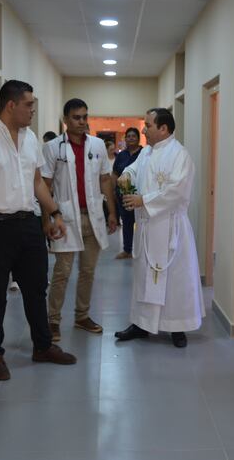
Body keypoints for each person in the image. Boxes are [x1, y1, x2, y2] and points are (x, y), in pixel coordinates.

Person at [0, 79, 77, 381]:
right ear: (11, 105)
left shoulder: (30, 138)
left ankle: (42, 346)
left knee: (36, 289)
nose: (33, 110)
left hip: (28, 225)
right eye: (29, 104)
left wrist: (54, 212)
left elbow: (37, 182)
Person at [114, 108, 205, 348]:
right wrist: (126, 174)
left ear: (163, 128)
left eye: (148, 125)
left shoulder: (180, 155)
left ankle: (176, 327)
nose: (144, 129)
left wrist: (144, 200)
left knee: (174, 279)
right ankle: (141, 323)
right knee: (145, 276)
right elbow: (135, 170)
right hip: (147, 227)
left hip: (170, 228)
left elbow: (177, 189)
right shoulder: (147, 152)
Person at [41, 98, 118, 342]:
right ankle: (52, 320)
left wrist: (112, 213)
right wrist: (47, 220)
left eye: (85, 116)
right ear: (66, 120)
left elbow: (105, 180)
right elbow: (45, 185)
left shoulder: (96, 145)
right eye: (76, 117)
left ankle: (82, 315)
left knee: (88, 271)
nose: (82, 121)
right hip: (64, 218)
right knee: (62, 272)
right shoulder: (53, 147)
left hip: (92, 216)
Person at [112, 127, 143, 259]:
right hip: (123, 195)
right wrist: (114, 190)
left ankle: (142, 251)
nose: (130, 138)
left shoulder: (144, 153)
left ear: (138, 138)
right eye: (128, 136)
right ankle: (127, 250)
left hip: (139, 195)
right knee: (127, 222)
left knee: (141, 222)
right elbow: (115, 173)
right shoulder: (121, 155)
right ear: (125, 139)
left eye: (133, 136)